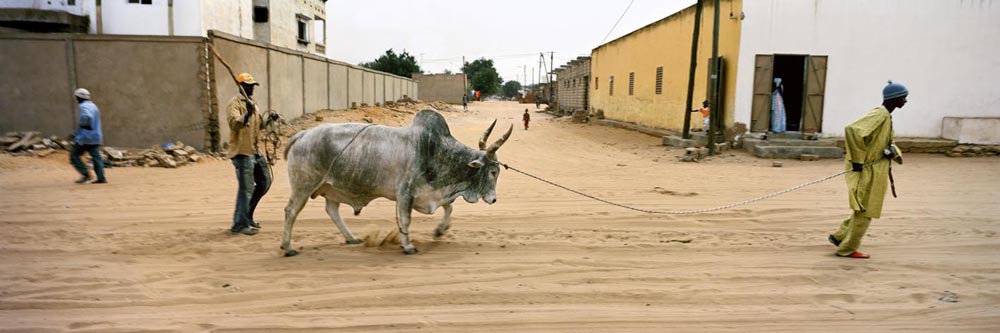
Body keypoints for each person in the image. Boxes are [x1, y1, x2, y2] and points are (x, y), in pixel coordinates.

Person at [828, 81, 907, 259]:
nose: (906, 101)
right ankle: (847, 248)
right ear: (895, 99)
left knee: (862, 207)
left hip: (876, 169)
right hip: (867, 170)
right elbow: (853, 130)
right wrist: (857, 159)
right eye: (904, 97)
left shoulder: (886, 116)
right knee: (866, 211)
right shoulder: (880, 114)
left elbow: (884, 143)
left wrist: (892, 151)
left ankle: (839, 236)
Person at [227, 72, 277, 236]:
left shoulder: (253, 104)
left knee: (264, 182)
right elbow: (235, 124)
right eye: (248, 86)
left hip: (255, 151)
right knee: (246, 189)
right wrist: (247, 114)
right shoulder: (234, 104)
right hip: (242, 152)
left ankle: (247, 216)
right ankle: (239, 225)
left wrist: (269, 120)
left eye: (252, 86)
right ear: (240, 86)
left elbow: (259, 126)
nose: (251, 89)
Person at [69, 88, 107, 184]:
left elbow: (87, 117)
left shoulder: (83, 106)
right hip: (96, 136)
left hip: (85, 137)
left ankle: (86, 175)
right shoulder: (93, 106)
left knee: (74, 156)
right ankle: (101, 177)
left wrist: (83, 127)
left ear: (79, 97)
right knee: (96, 157)